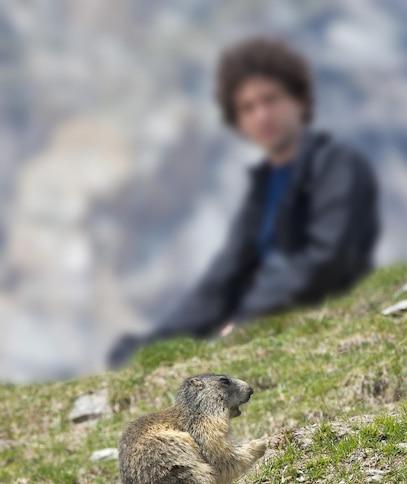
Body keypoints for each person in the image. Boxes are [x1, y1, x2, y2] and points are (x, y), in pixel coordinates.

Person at [109, 36, 379, 366]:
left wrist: (247, 320)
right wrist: (154, 344)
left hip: (323, 325)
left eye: (271, 99)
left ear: (300, 102)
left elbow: (326, 259)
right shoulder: (263, 186)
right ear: (237, 122)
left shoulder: (337, 164)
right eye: (247, 108)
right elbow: (222, 279)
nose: (261, 114)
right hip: (266, 323)